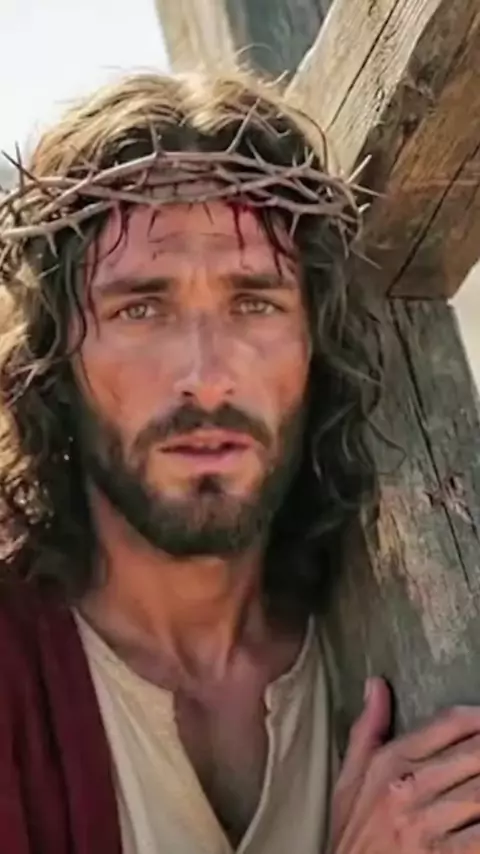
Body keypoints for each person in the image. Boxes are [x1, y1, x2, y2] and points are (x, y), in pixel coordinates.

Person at [0, 71, 480, 854]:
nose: (206, 374)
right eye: (141, 308)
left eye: (254, 303)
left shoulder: (381, 614)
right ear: (57, 361)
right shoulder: (18, 674)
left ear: (314, 346)